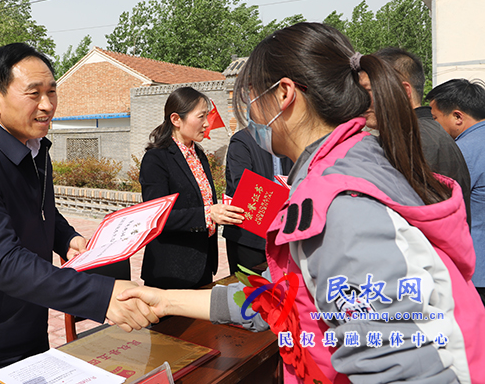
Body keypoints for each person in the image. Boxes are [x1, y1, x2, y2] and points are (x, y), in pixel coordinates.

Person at [121, 23, 485, 382]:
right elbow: (281, 298)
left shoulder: (343, 207)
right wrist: (164, 300)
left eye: (251, 101)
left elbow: (405, 369)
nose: (251, 117)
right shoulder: (347, 167)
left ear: (284, 94)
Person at [0, 43, 156, 384]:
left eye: (52, 92)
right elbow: (4, 262)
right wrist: (101, 297)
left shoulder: (34, 147)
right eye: (33, 94)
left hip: (29, 318)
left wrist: (67, 238)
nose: (47, 105)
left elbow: (40, 210)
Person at [138, 87, 245, 289]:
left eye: (208, 116)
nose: (207, 124)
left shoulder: (199, 154)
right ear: (176, 119)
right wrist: (209, 214)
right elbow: (157, 216)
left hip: (203, 263)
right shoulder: (156, 159)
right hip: (171, 270)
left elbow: (202, 201)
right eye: (201, 116)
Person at [364, 48, 471, 226]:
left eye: (370, 90)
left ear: (404, 90)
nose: (362, 100)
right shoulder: (426, 131)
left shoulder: (413, 138)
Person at [426, 78, 485, 304]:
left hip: (476, 272)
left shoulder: (460, 152)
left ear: (458, 117)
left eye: (434, 119)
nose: (433, 126)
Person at [223, 128, 292, 274]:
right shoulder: (242, 140)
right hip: (248, 236)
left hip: (279, 233)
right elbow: (243, 186)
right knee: (249, 291)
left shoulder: (285, 141)